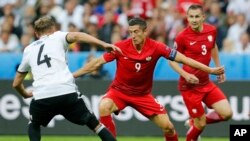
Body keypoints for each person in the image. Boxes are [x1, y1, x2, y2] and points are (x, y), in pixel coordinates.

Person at [73, 17, 225, 141]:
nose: (133, 36)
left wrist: (210, 69)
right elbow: (96, 63)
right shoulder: (120, 47)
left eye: (136, 32)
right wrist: (71, 76)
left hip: (143, 95)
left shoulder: (157, 47)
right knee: (103, 106)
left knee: (169, 128)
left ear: (145, 32)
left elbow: (184, 59)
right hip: (119, 92)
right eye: (130, 32)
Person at [12, 15, 120, 141]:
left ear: (36, 34)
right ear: (53, 28)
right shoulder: (58, 36)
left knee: (34, 124)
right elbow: (77, 35)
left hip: (42, 95)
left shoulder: (28, 50)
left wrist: (24, 93)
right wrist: (103, 44)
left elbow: (16, 83)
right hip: (66, 91)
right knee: (95, 125)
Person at [169, 5, 233, 141]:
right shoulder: (182, 37)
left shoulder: (211, 31)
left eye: (197, 16)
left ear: (203, 17)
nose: (194, 20)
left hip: (205, 83)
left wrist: (218, 68)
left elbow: (213, 47)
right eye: (191, 16)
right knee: (201, 124)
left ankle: (193, 122)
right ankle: (195, 126)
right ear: (187, 17)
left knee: (227, 113)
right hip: (189, 86)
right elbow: (171, 61)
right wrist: (185, 75)